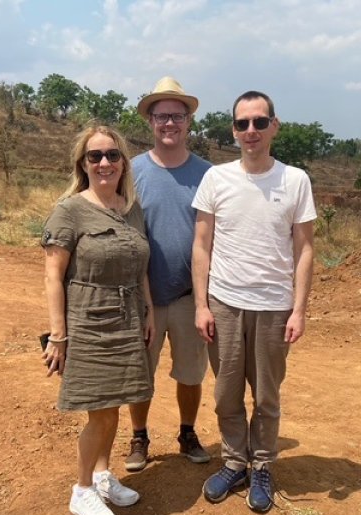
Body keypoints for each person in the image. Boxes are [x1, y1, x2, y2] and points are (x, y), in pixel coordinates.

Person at [191, 90, 316, 513]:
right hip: (224, 304)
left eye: (259, 122)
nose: (251, 131)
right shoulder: (216, 179)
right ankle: (233, 462)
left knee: (266, 395)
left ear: (274, 126)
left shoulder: (295, 180)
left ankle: (261, 465)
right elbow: (201, 246)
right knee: (227, 394)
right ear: (233, 130)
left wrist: (298, 309)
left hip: (274, 307)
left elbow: (304, 250)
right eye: (242, 123)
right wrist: (201, 305)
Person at [41, 124, 155, 515]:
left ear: (124, 162)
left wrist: (150, 313)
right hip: (88, 320)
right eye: (95, 156)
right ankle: (83, 489)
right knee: (101, 413)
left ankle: (104, 477)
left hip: (128, 320)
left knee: (117, 403)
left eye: (112, 155)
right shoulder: (70, 210)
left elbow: (141, 267)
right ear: (83, 164)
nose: (104, 162)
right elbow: (54, 276)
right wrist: (59, 335)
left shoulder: (131, 207)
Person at [124, 76, 212, 472]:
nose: (169, 123)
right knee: (141, 373)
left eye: (177, 115)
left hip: (191, 296)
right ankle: (139, 435)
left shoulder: (210, 174)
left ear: (189, 119)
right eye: (162, 116)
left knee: (191, 374)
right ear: (150, 122)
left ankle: (188, 432)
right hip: (143, 298)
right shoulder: (131, 171)